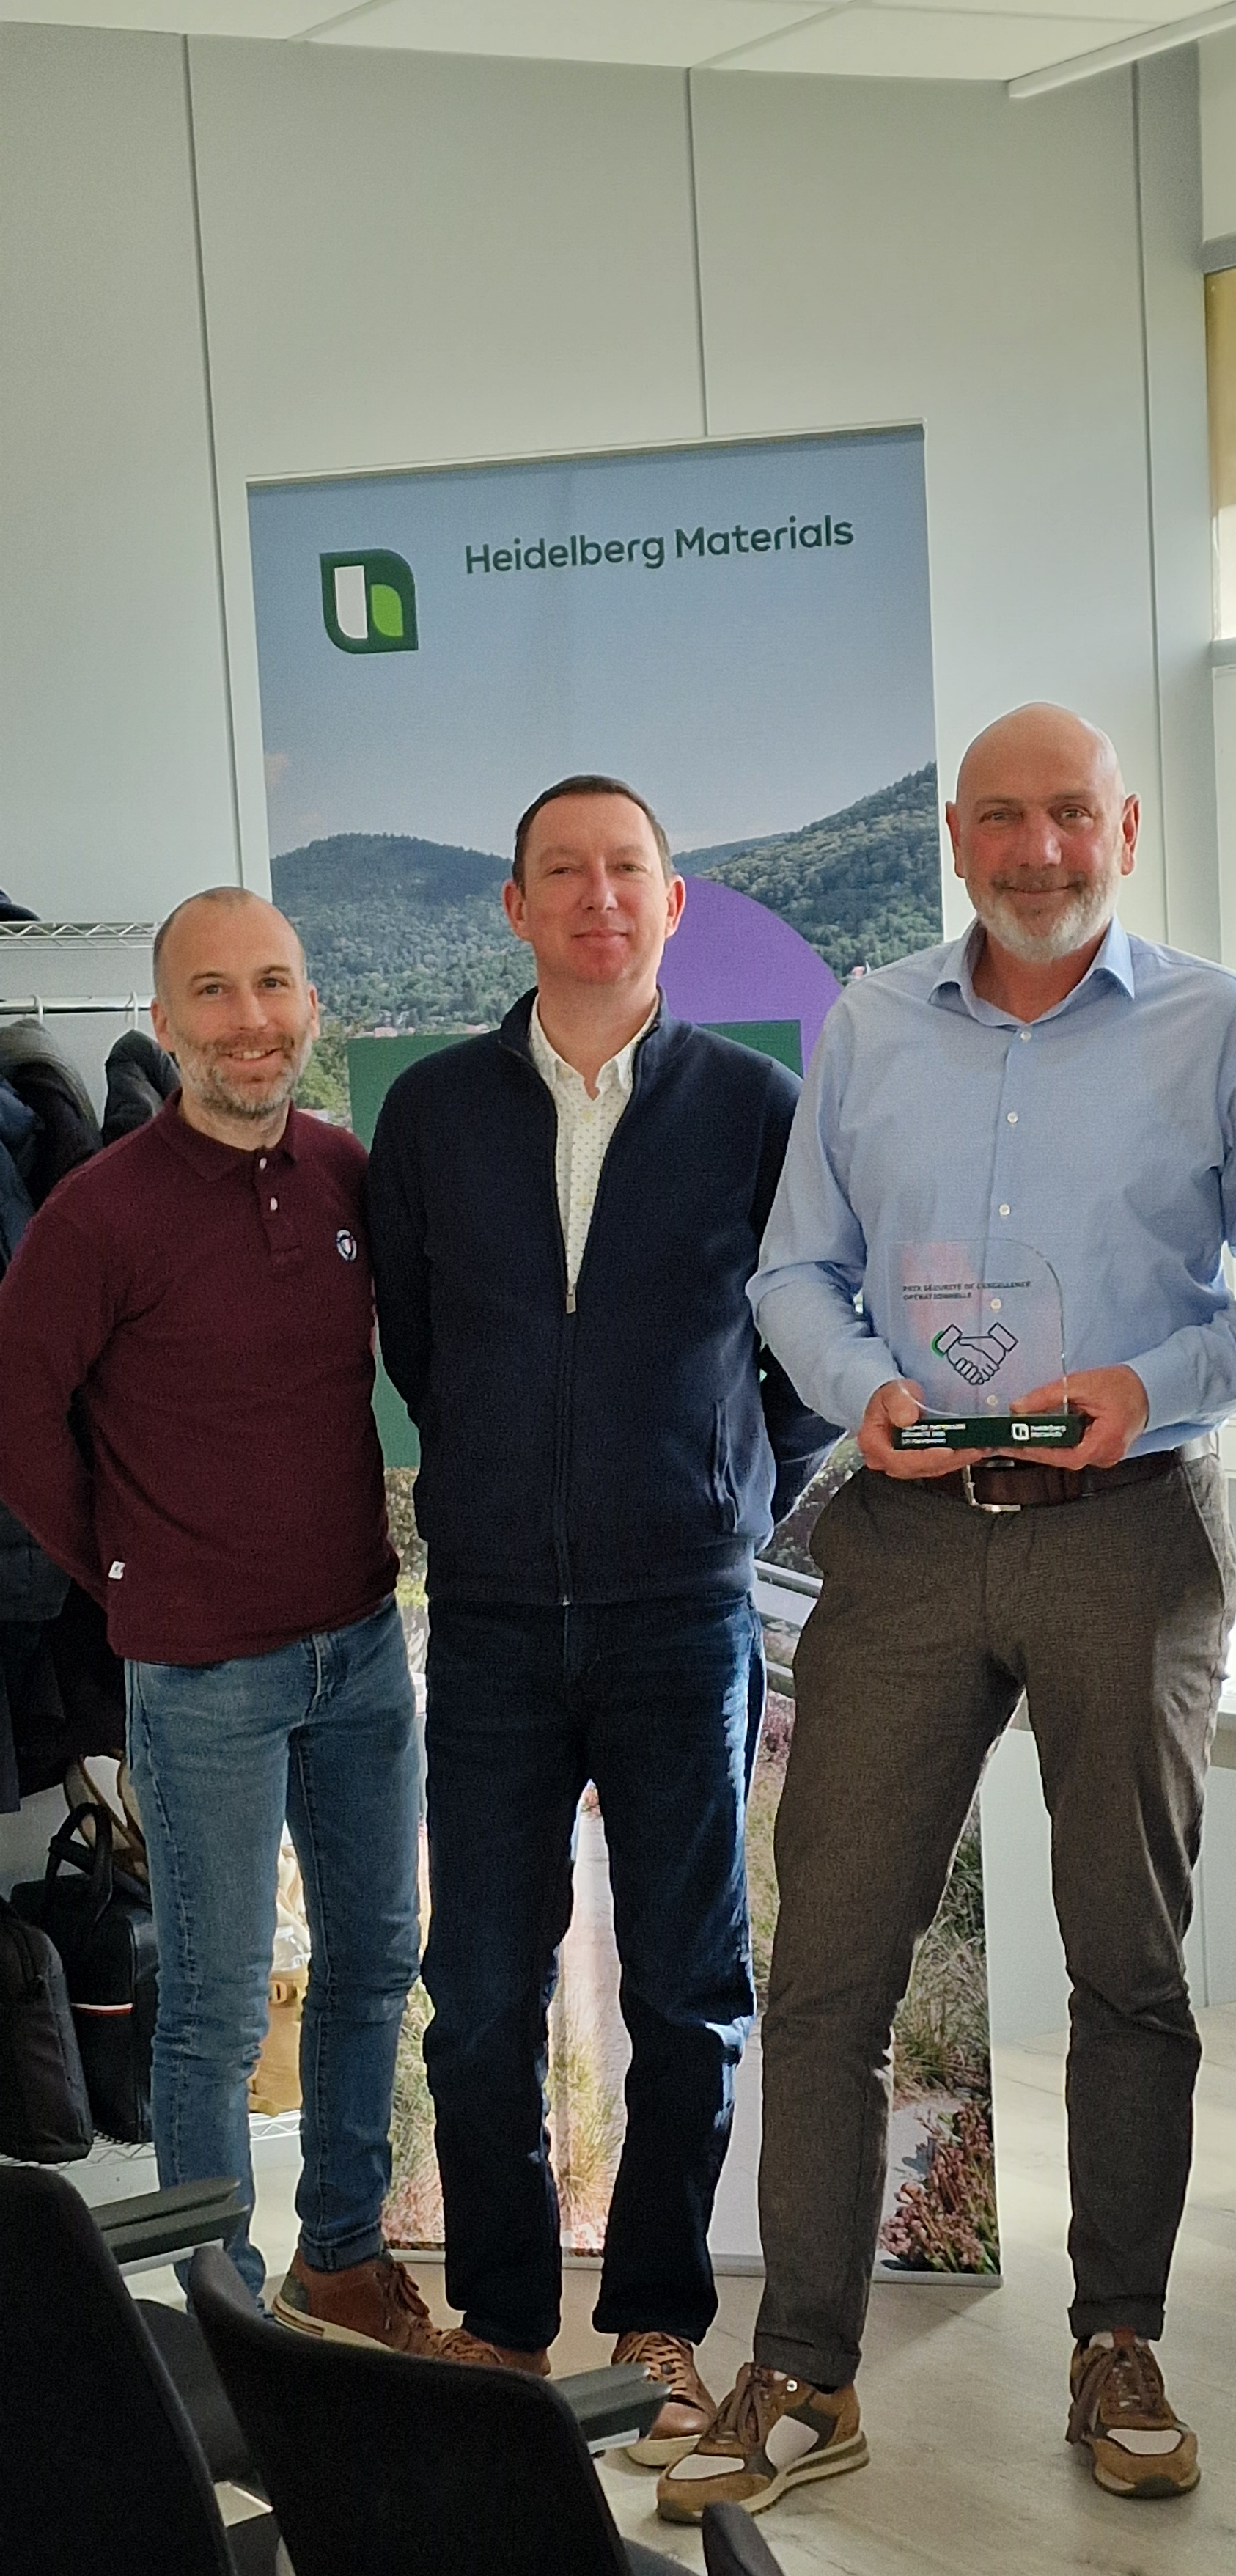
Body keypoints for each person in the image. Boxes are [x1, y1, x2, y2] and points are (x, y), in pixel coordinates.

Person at [657, 703, 1236, 2525]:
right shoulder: (868, 1023)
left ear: (1128, 823)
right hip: (909, 1539)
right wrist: (861, 1391)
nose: (1036, 850)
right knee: (831, 1964)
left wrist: (1150, 1382)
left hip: (1126, 1525)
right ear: (954, 832)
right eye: (1001, 818)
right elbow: (795, 1263)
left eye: (1069, 816)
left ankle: (1118, 2341)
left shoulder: (1222, 1027)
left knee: (1128, 1961)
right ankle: (805, 2366)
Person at [367, 776, 831, 2440]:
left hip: (678, 1609)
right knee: (481, 1984)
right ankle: (503, 2314)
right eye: (559, 871)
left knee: (686, 1987)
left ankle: (653, 2315)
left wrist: (729, 1489)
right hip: (488, 1613)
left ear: (674, 901)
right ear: (513, 907)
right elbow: (416, 1348)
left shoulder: (754, 1104)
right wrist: (506, 1474)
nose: (594, 896)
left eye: (623, 868)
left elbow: (800, 1347)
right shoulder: (429, 1112)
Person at [0, 889, 438, 2354]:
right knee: (213, 2000)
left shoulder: (344, 1173)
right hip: (200, 1674)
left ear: (307, 1001)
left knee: (377, 1955)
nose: (249, 1018)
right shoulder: (98, 1207)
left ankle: (342, 2254)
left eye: (272, 984)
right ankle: (221, 2311)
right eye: (212, 991)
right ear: (167, 1013)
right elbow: (17, 1417)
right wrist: (123, 1568)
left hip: (362, 1649)